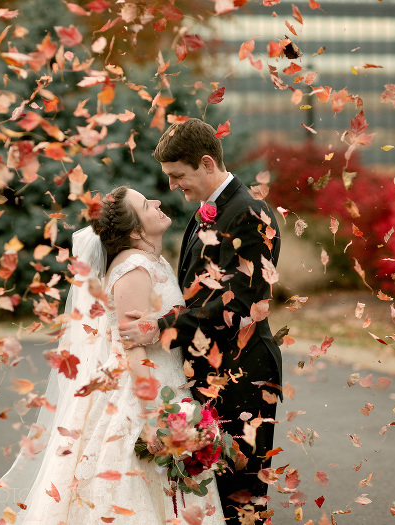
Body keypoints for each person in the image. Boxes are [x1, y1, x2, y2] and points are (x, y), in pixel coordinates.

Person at [0, 186, 224, 525]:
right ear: (135, 231)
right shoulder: (133, 267)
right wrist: (154, 417)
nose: (159, 202)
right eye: (148, 204)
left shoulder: (149, 260)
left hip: (165, 384)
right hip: (141, 393)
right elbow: (133, 349)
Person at [118, 118, 282, 524]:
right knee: (214, 498)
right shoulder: (207, 212)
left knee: (242, 499)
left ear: (207, 163)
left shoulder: (249, 213)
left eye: (178, 175)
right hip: (209, 372)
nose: (173, 186)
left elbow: (241, 305)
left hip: (243, 377)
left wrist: (160, 326)